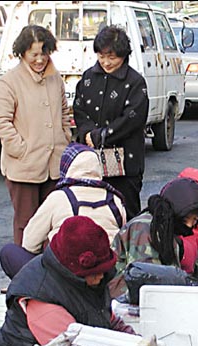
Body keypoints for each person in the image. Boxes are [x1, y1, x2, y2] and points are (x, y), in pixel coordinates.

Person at [0, 216, 135, 346]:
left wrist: (138, 342)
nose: (100, 277)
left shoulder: (90, 282)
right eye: (94, 273)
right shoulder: (44, 299)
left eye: (102, 270)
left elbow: (110, 321)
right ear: (74, 271)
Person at [0, 25, 72, 245]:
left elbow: (64, 113)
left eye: (44, 53)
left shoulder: (55, 79)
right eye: (34, 54)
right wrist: (21, 149)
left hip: (54, 167)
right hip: (23, 168)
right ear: (22, 53)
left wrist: (64, 139)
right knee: (26, 225)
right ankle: (24, 273)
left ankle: (49, 274)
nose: (40, 59)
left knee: (54, 225)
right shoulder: (10, 81)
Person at [0, 142, 127, 279]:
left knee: (8, 253)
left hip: (66, 279)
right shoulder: (115, 199)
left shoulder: (58, 198)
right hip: (107, 275)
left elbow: (30, 243)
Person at [73, 25, 149, 221]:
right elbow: (79, 109)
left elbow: (132, 119)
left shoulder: (135, 82)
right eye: (101, 56)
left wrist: (101, 135)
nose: (106, 62)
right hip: (91, 162)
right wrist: (88, 133)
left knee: (126, 215)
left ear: (124, 55)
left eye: (112, 57)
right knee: (91, 214)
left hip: (125, 164)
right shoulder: (88, 77)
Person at [109, 177, 198, 299]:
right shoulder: (143, 228)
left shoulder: (173, 229)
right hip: (124, 296)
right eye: (192, 219)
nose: (192, 225)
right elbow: (148, 278)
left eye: (196, 220)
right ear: (181, 212)